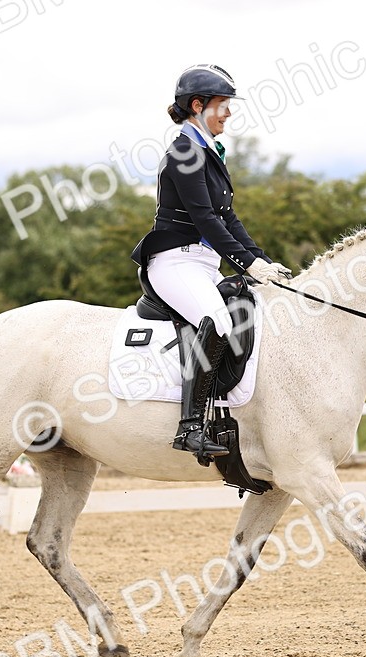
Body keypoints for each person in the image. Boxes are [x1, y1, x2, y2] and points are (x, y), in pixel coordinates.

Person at [131, 64, 292, 463]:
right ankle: (189, 428)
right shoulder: (185, 152)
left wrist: (261, 261)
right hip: (173, 262)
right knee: (218, 322)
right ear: (198, 105)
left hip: (202, 263)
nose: (229, 113)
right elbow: (204, 219)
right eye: (223, 105)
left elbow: (228, 218)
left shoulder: (209, 152)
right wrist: (246, 264)